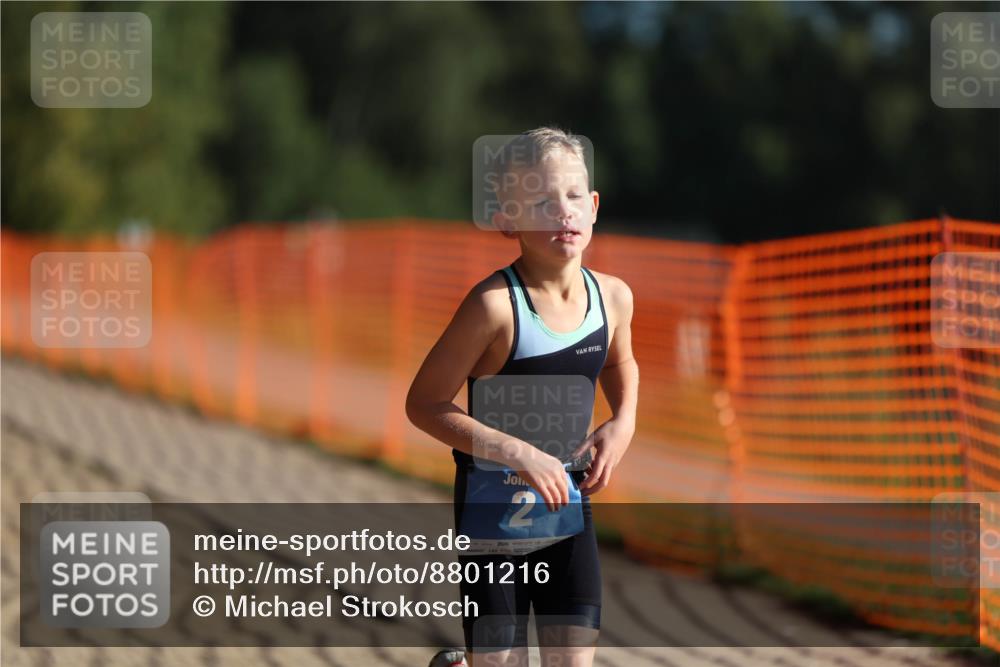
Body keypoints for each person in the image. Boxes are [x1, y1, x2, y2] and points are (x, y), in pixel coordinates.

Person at [407, 127, 639, 667]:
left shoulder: (614, 299)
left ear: (594, 206)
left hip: (567, 514)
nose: (563, 211)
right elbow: (423, 403)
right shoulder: (492, 308)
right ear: (506, 219)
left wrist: (622, 422)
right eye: (540, 200)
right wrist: (515, 452)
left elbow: (621, 361)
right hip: (492, 520)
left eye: (574, 195)